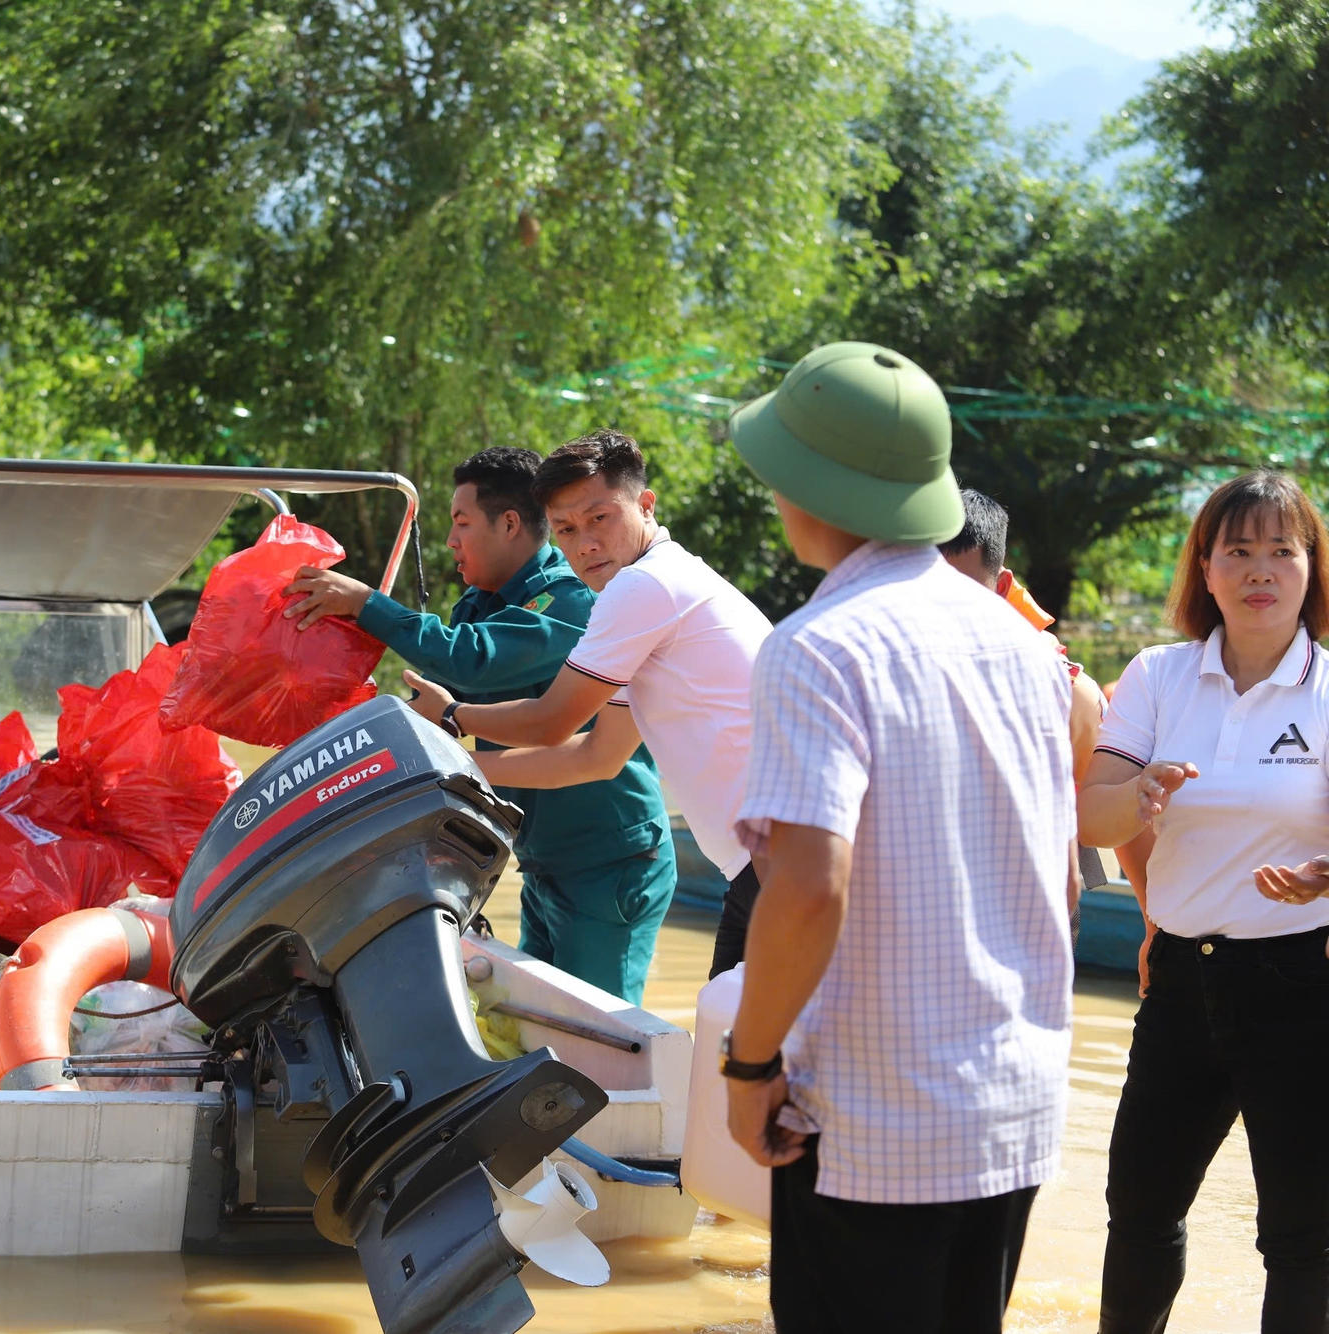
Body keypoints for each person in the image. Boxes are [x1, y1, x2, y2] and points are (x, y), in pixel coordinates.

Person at [721, 342, 1078, 1333]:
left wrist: (748, 1070)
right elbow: (1061, 882)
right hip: (1010, 1107)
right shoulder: (1024, 647)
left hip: (875, 1124)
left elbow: (804, 890)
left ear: (803, 485)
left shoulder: (814, 649)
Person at [283, 446, 675, 1004]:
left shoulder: (568, 600)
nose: (449, 543)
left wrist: (366, 605)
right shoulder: (483, 601)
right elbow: (447, 695)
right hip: (543, 861)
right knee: (541, 1019)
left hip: (609, 861)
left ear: (509, 523)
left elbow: (474, 659)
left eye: (461, 523)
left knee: (603, 1032)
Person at [1078, 467, 1329, 1334]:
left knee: (1303, 1238)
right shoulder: (1157, 675)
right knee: (1140, 1210)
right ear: (1206, 567)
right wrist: (1142, 794)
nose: (1261, 569)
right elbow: (1095, 807)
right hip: (1182, 980)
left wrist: (1323, 878)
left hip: (1306, 983)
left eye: (1281, 550)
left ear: (1311, 569)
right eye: (1239, 550)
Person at [398, 430, 771, 980]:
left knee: (735, 1054)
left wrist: (453, 718)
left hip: (782, 860)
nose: (585, 544)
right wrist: (453, 774)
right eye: (567, 530)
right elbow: (595, 755)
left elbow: (552, 721)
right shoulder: (656, 586)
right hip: (768, 862)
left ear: (646, 504)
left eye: (600, 519)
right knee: (740, 1051)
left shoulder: (643, 588)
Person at [940, 487, 1107, 781]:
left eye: (964, 593)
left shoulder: (1070, 695)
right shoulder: (880, 672)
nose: (944, 610)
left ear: (1002, 587)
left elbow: (1093, 817)